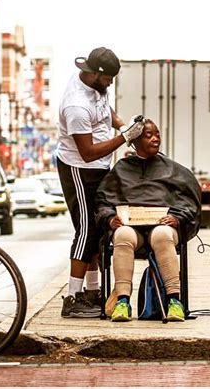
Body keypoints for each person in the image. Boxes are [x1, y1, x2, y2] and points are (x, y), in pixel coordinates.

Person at [57, 47, 144, 318]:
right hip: (79, 169)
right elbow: (88, 152)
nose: (111, 84)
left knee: (97, 229)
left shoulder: (97, 86)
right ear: (94, 74)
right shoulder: (75, 106)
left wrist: (123, 125)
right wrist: (125, 137)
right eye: (108, 79)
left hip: (100, 167)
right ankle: (72, 298)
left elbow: (106, 110)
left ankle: (92, 292)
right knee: (86, 232)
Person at [95, 119, 201, 322]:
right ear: (134, 141)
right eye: (148, 135)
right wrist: (110, 219)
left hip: (162, 227)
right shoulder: (121, 169)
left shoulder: (173, 170)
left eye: (157, 134)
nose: (155, 139)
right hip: (132, 229)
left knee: (161, 235)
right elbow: (102, 202)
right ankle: (122, 302)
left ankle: (174, 302)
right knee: (122, 234)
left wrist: (177, 218)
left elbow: (190, 202)